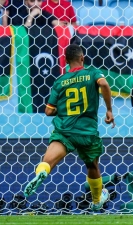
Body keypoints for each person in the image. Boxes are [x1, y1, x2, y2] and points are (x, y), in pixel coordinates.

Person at [23, 44, 116, 211]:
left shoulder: (60, 81)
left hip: (64, 130)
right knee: (92, 166)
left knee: (48, 160)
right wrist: (109, 110)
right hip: (86, 131)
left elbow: (48, 110)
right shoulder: (92, 73)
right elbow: (104, 85)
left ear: (66, 60)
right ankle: (96, 200)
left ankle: (41, 172)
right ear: (82, 58)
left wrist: (64, 108)